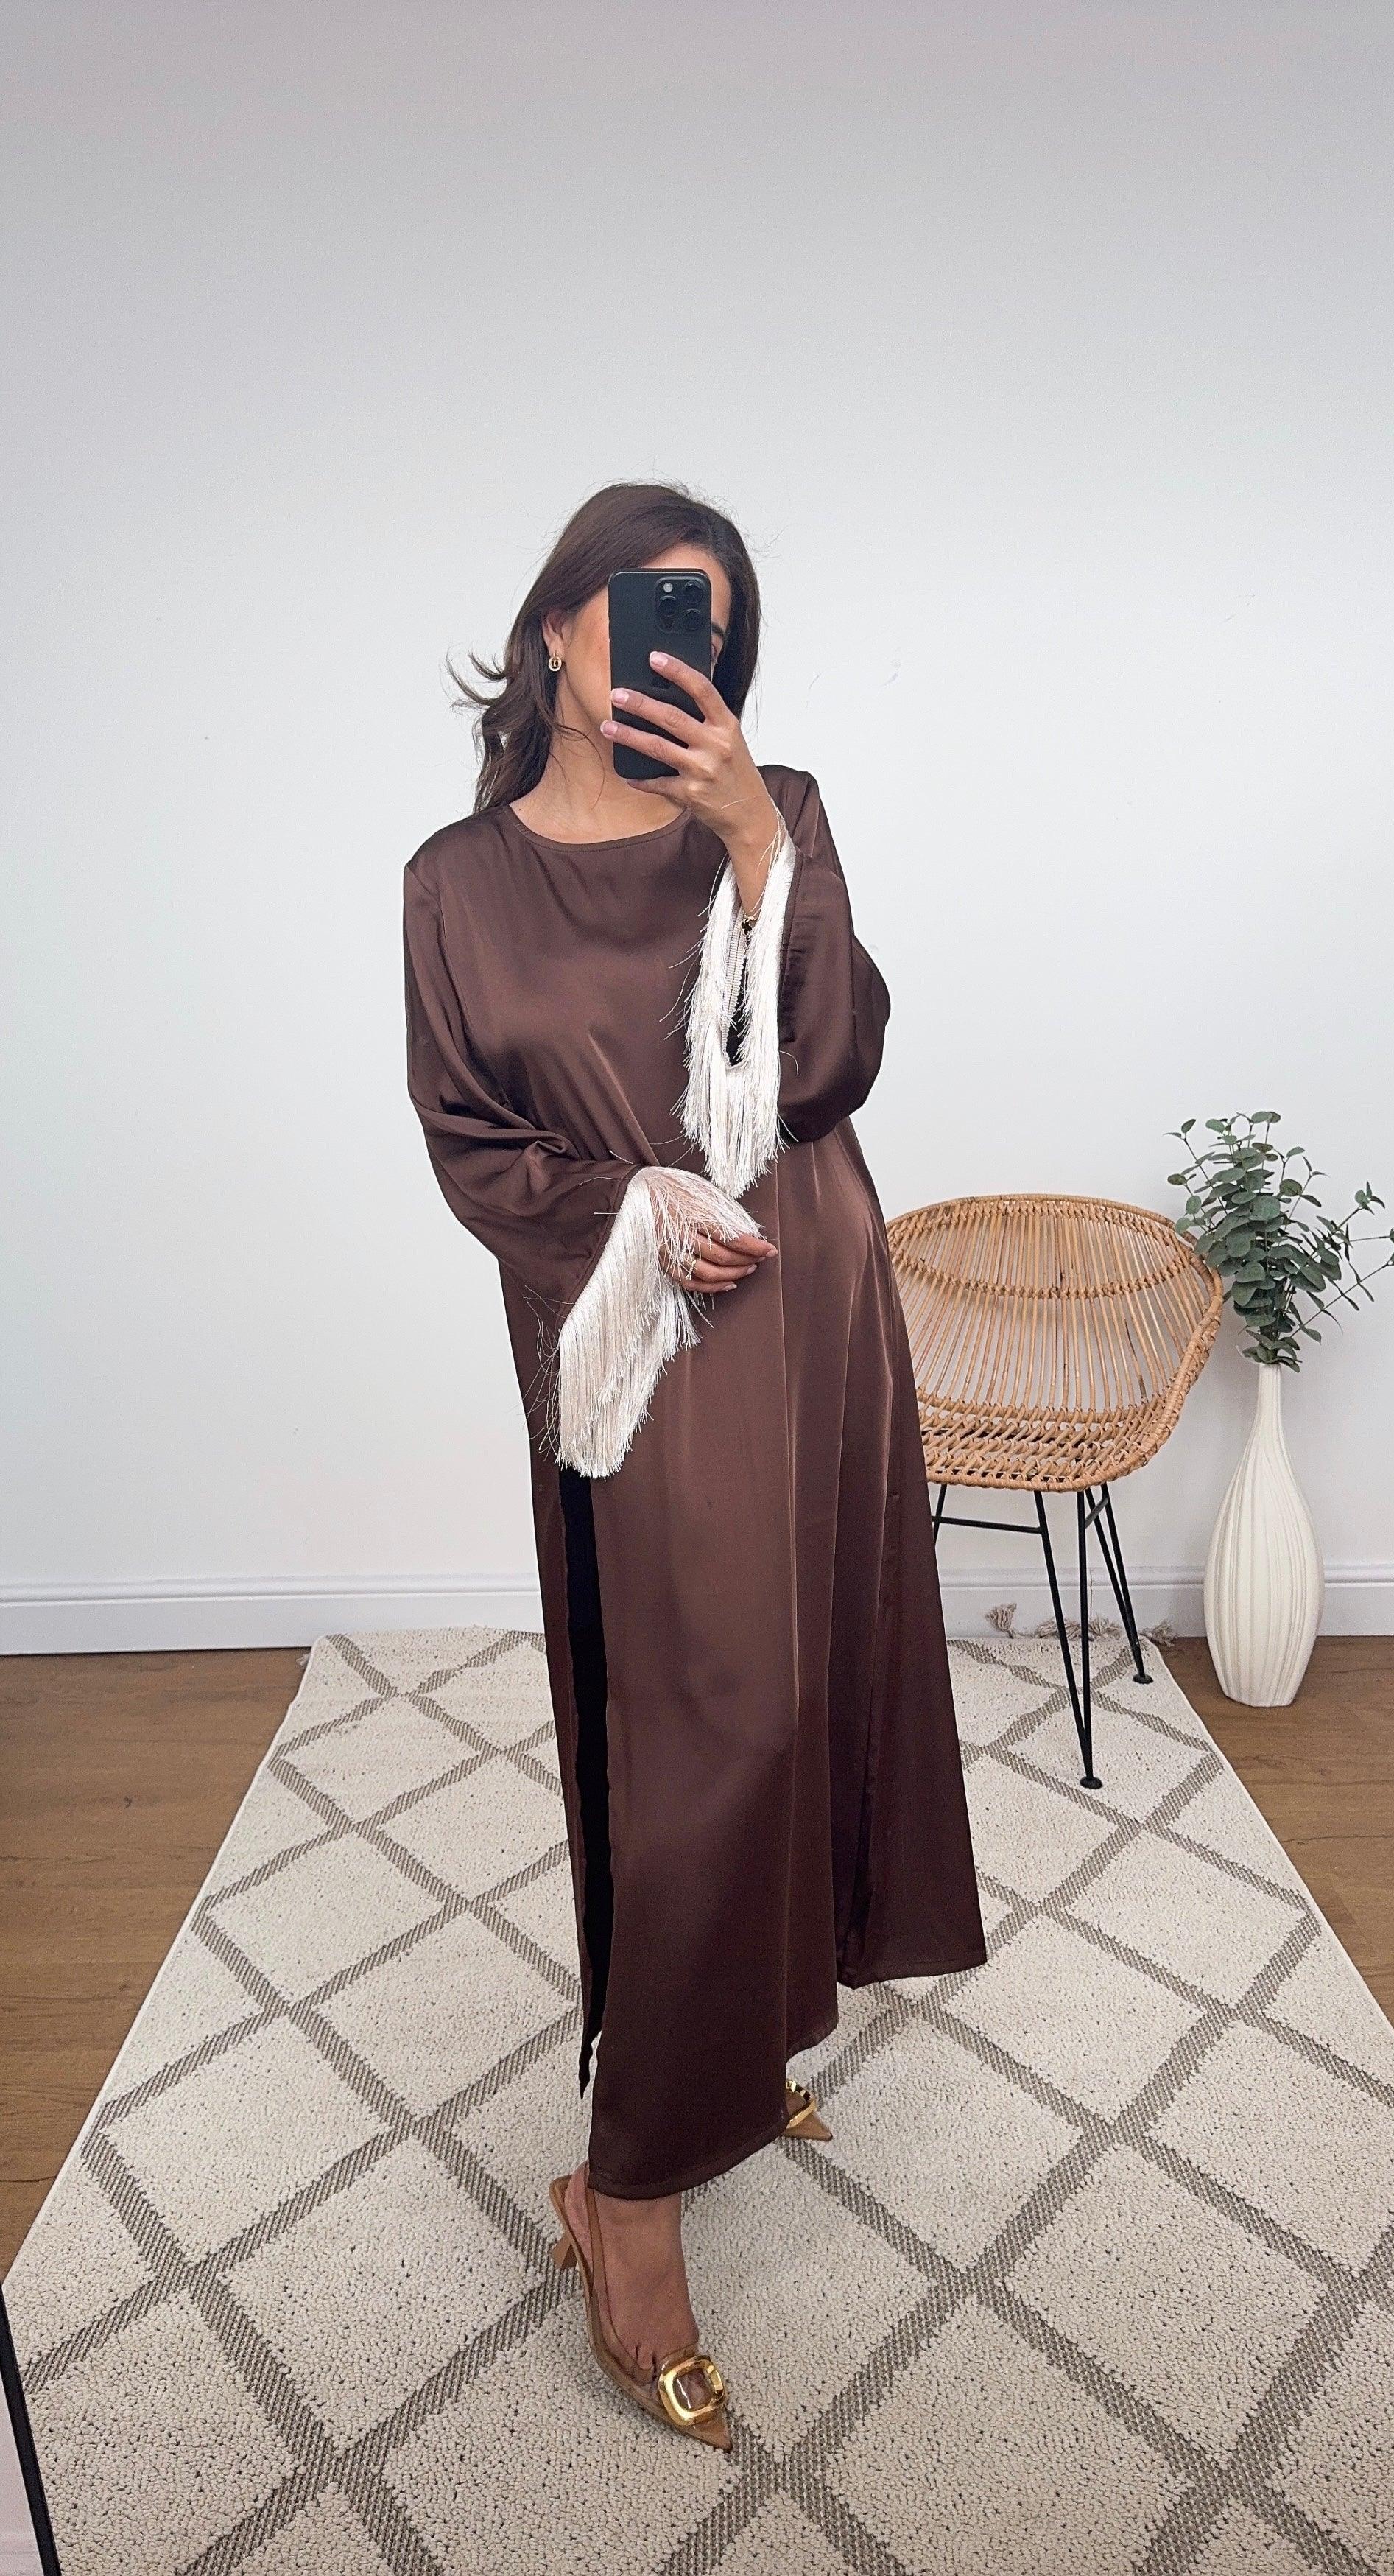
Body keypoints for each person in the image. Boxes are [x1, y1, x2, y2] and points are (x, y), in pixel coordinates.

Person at [402, 482, 985, 2450]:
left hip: (808, 1294)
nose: (689, 649)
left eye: (716, 629)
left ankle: (737, 2047)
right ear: (559, 625)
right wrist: (629, 1204)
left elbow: (824, 1073)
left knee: (800, 1686)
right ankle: (628, 2192)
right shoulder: (456, 882)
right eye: (657, 607)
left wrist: (757, 845)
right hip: (633, 1335)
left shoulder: (775, 806)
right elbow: (474, 1141)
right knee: (697, 1725)